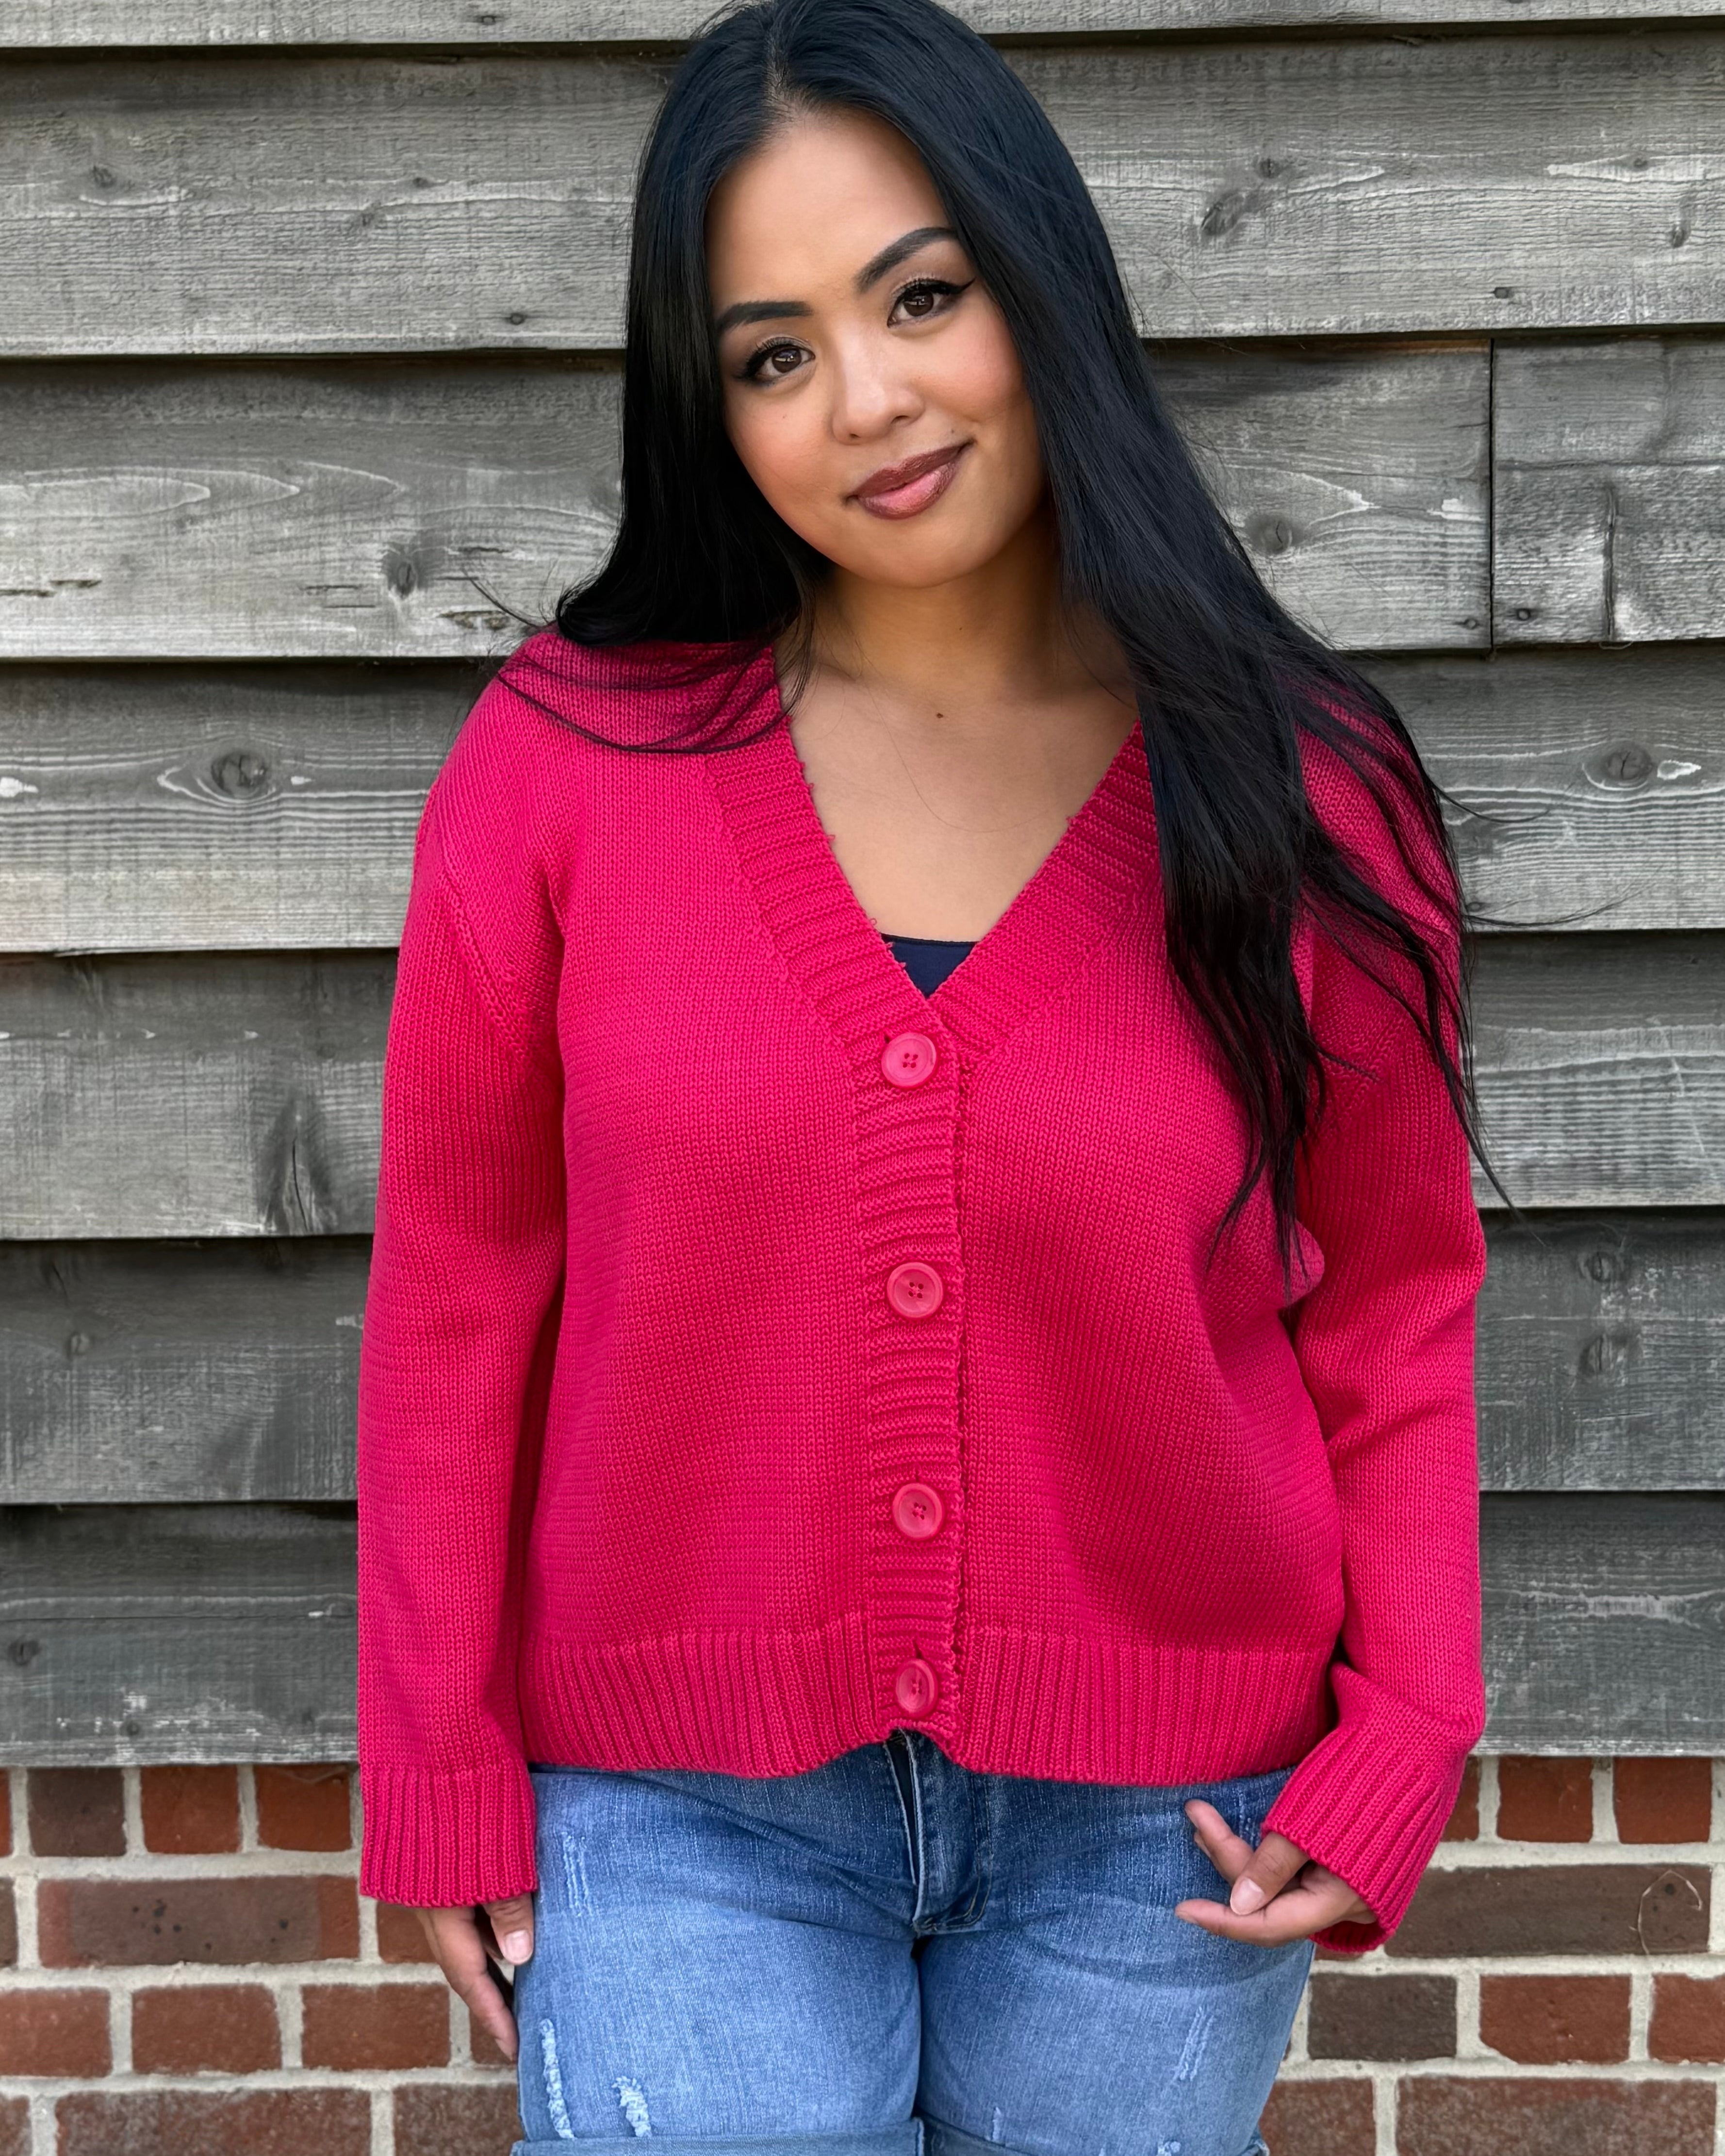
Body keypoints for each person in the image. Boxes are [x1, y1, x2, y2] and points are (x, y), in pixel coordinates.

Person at [355, 0, 1506, 2148]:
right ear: (708, 405)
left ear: (1034, 284)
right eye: (771, 353)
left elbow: (1390, 1302)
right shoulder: (565, 767)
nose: (865, 401)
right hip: (677, 1804)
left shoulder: (1304, 788)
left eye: (918, 298)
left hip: (1170, 1823)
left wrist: (1404, 1731)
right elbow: (454, 1298)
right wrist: (435, 1761)